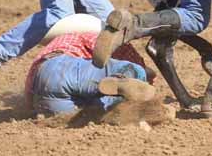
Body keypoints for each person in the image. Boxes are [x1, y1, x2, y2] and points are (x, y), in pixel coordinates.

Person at [25, 18, 155, 116]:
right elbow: (129, 60)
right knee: (135, 71)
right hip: (64, 70)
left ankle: (104, 104)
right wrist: (145, 71)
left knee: (85, 114)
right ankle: (115, 94)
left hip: (37, 90)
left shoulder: (60, 42)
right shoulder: (95, 36)